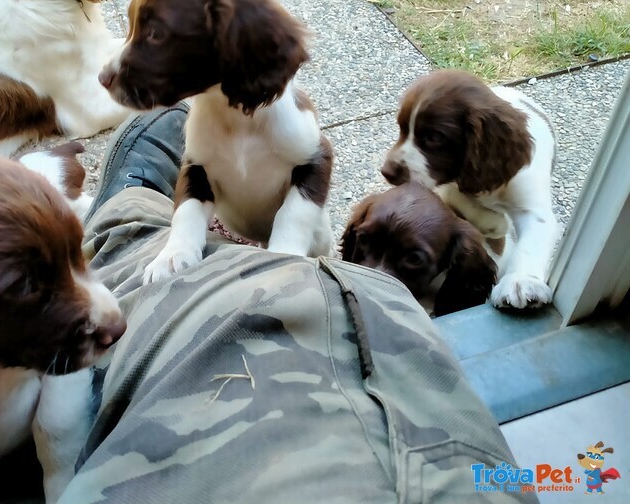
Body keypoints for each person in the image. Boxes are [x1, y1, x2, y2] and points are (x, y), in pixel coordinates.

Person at [57, 103, 536, 503]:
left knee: (149, 277)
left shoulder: (462, 263)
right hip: (457, 473)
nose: (368, 265)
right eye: (363, 245)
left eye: (410, 260)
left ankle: (125, 214)